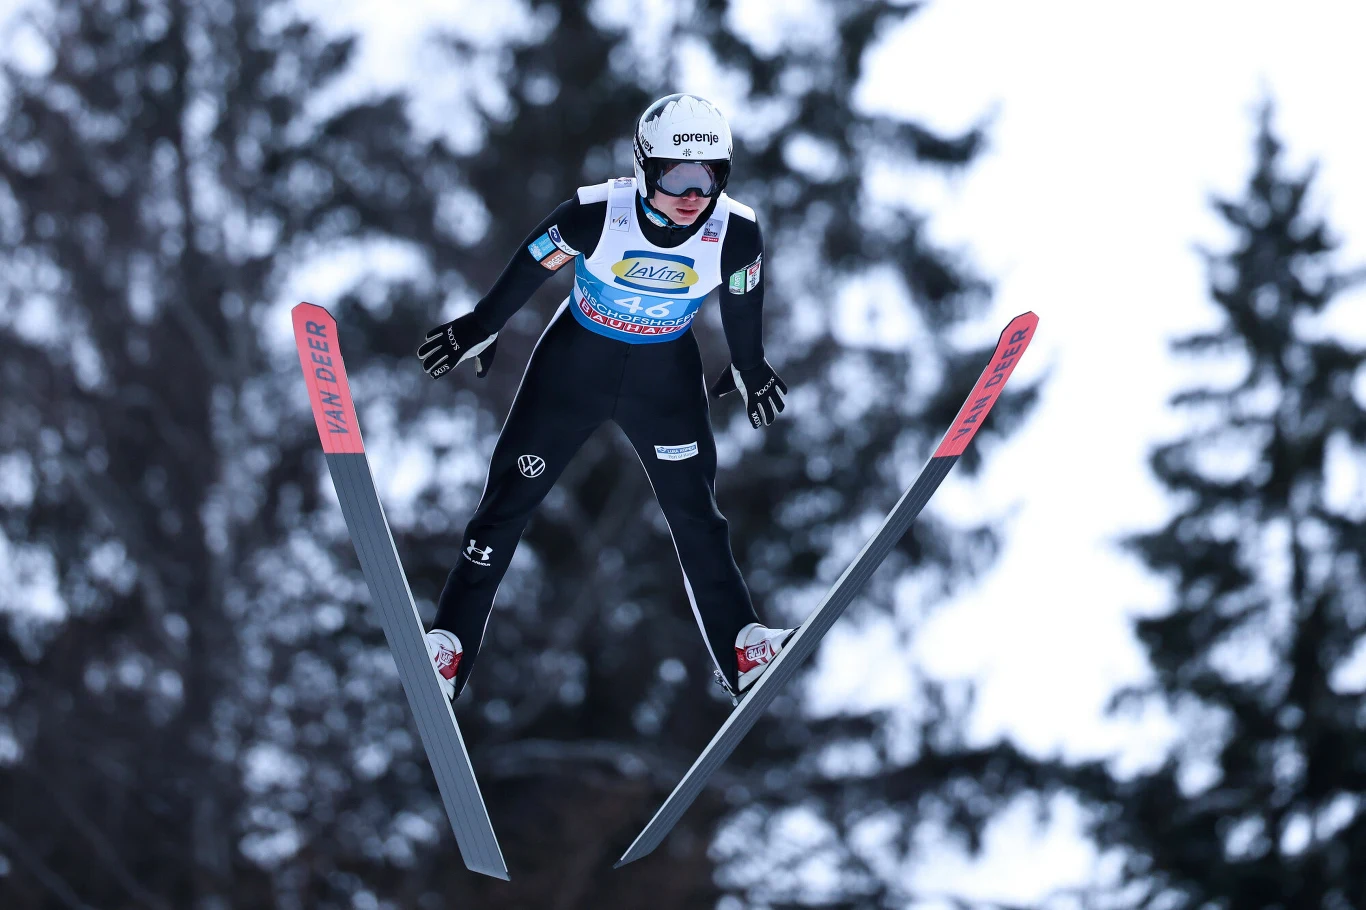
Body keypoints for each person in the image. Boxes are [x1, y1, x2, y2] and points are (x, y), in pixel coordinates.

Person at [417, 93, 792, 704]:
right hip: (573, 369)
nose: (695, 194)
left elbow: (744, 303)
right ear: (646, 167)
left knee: (697, 516)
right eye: (679, 174)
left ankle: (742, 650)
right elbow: (530, 268)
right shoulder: (597, 212)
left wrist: (749, 366)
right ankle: (450, 646)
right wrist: (480, 325)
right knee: (506, 503)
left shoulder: (737, 231)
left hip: (664, 379)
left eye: (711, 176)